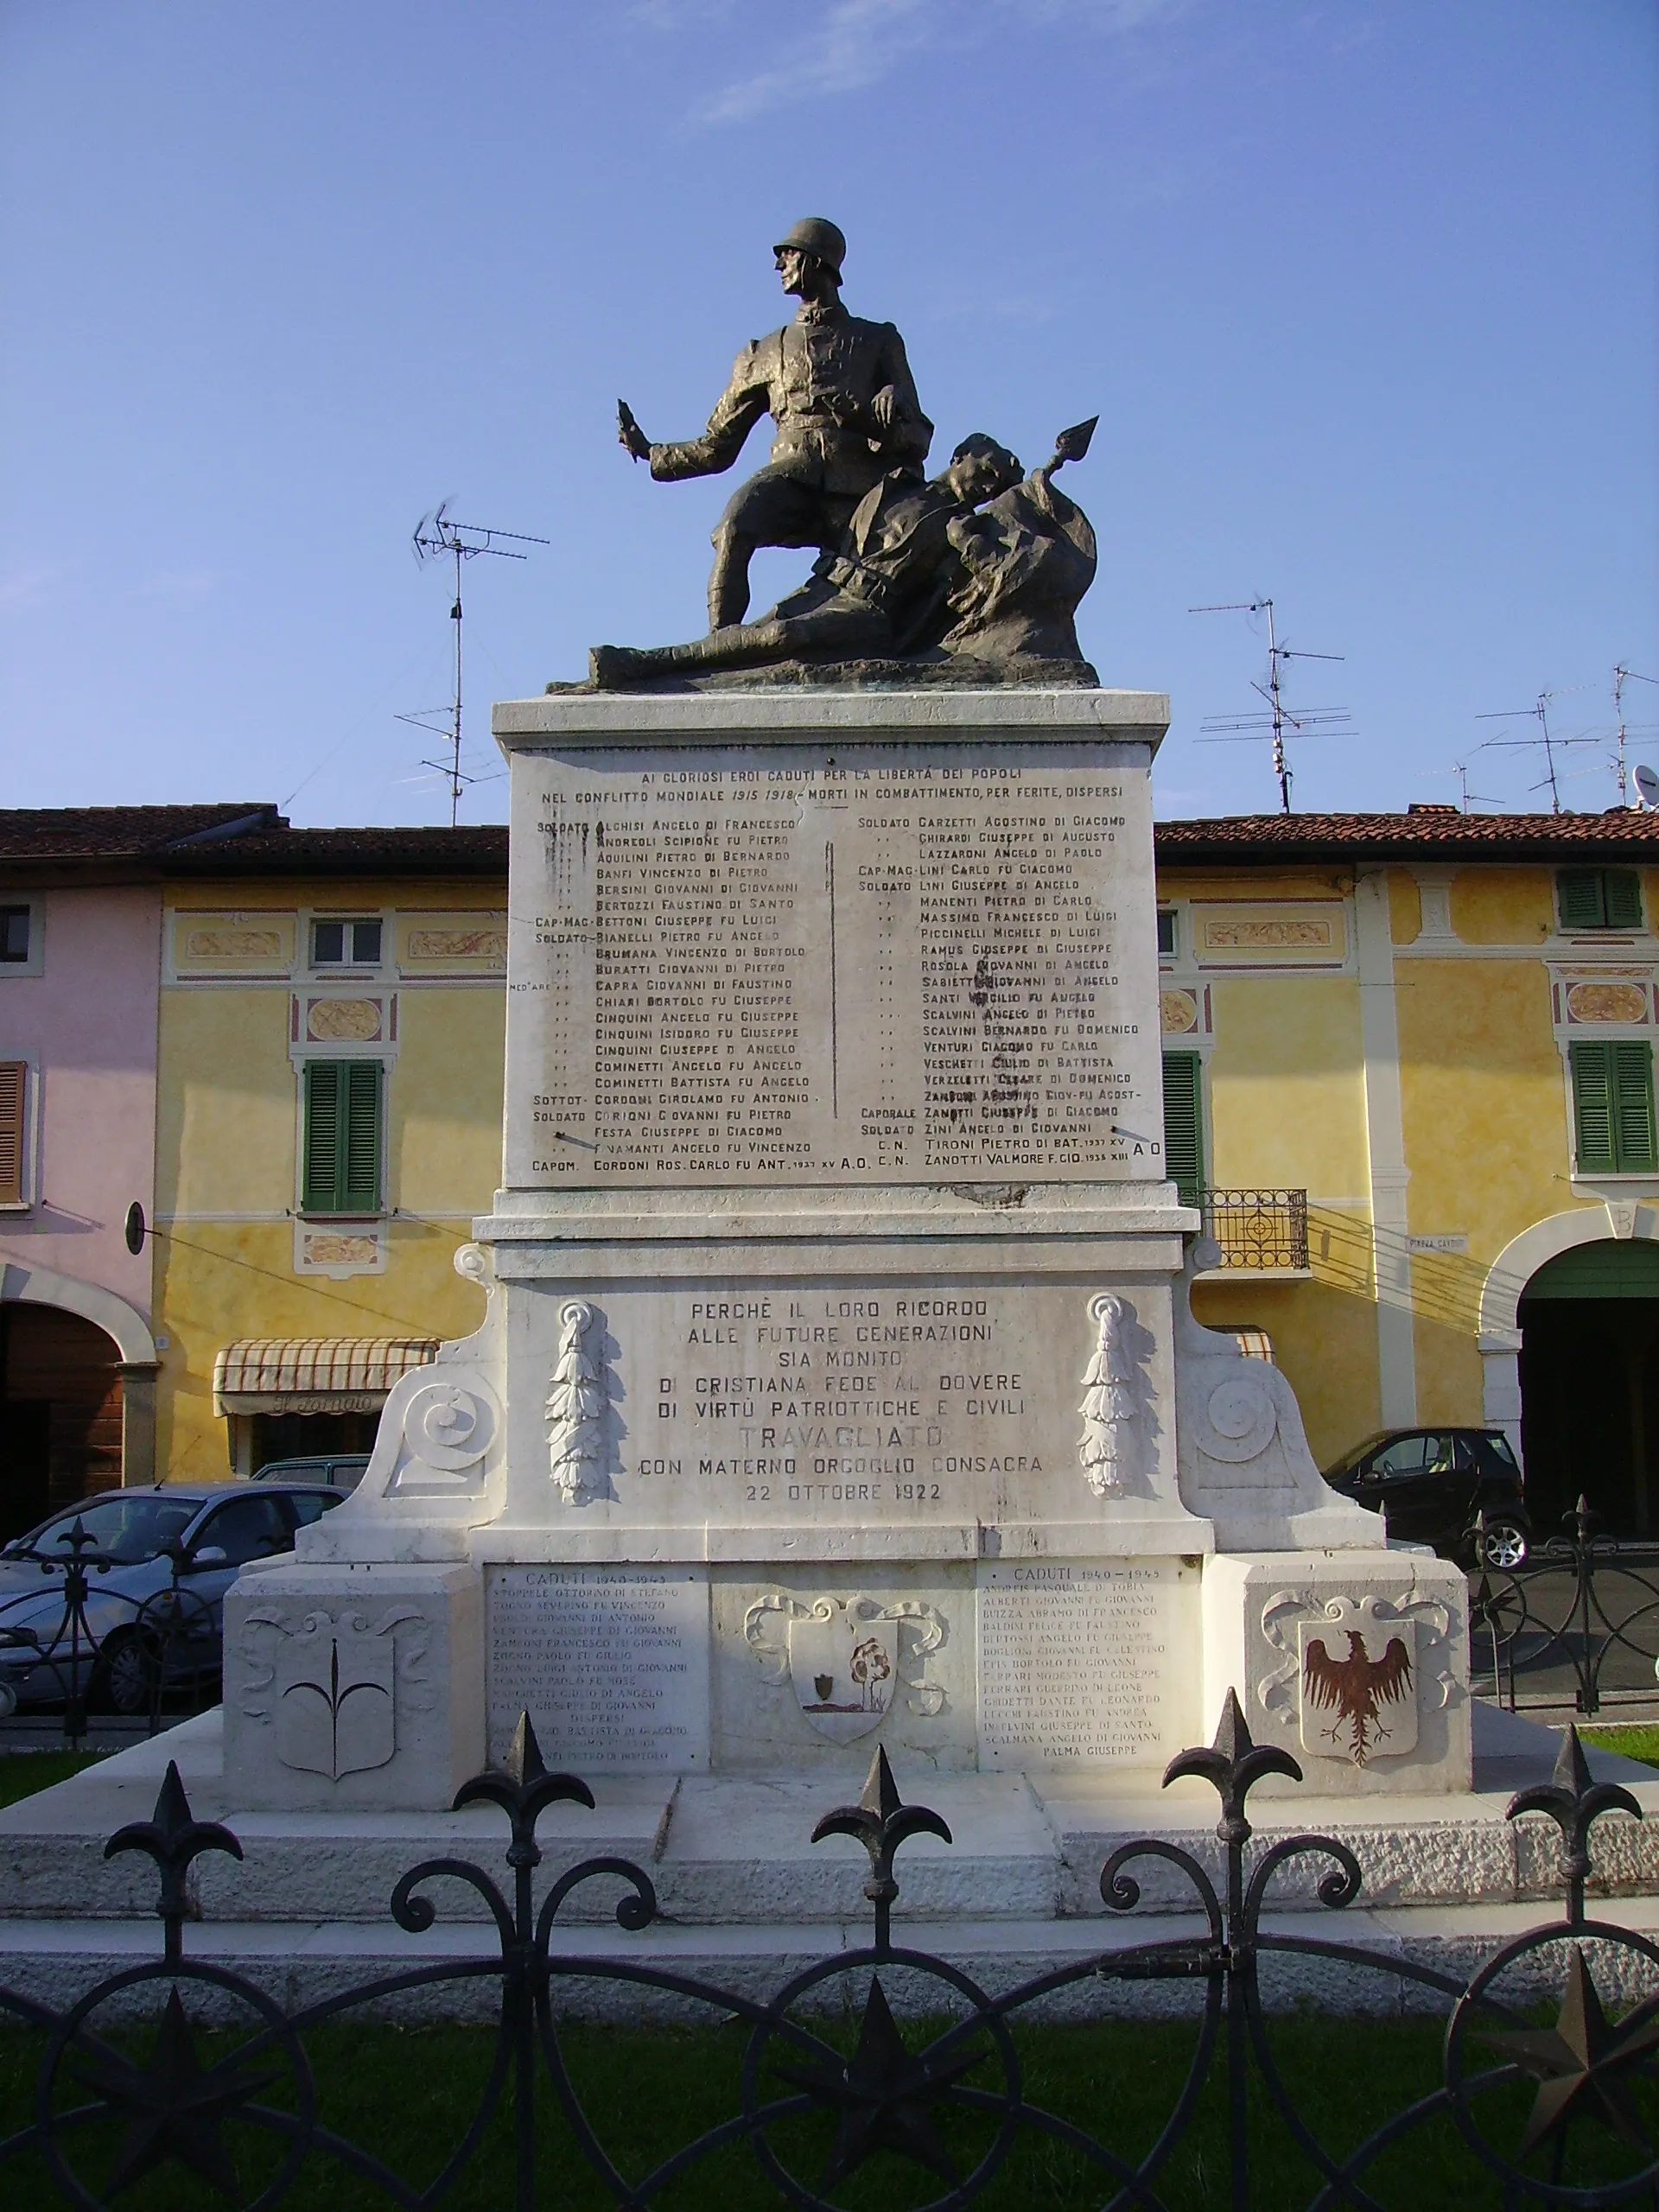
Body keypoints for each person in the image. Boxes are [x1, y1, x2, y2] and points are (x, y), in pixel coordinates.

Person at [617, 219, 932, 631]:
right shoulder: (762, 353)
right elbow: (718, 446)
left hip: (862, 492)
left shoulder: (877, 341)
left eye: (789, 255)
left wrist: (884, 411)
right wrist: (652, 453)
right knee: (734, 525)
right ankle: (718, 646)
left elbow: (918, 439)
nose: (778, 265)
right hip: (791, 479)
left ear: (816, 262)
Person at [590, 436, 1020, 688]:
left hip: (869, 614)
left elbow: (992, 585)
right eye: (985, 470)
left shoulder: (966, 529)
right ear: (960, 455)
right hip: (828, 584)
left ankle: (646, 664)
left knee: (781, 635)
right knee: (751, 634)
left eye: (997, 485)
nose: (988, 486)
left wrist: (969, 545)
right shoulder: (892, 481)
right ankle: (638, 668)